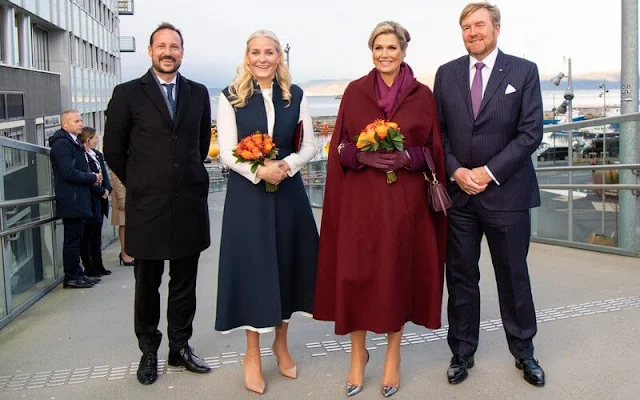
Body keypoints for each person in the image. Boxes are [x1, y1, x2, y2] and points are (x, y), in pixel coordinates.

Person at [314, 21, 447, 398]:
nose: (385, 54)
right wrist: (360, 156)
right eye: (378, 48)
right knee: (355, 276)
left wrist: (407, 157)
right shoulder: (355, 92)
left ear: (404, 51)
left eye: (391, 47)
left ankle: (392, 356)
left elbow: (434, 150)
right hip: (360, 205)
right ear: (370, 51)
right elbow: (338, 144)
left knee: (395, 277)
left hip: (405, 207)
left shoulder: (423, 96)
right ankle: (358, 356)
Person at [433, 2, 545, 387]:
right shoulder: (446, 75)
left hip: (508, 195)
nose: (472, 32)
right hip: (459, 196)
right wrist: (456, 170)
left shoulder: (523, 71)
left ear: (496, 28)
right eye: (466, 26)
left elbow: (531, 133)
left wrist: (488, 172)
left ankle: (524, 352)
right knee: (461, 277)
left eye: (479, 25)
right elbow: (439, 134)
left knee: (513, 276)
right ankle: (462, 352)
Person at [103, 22, 212, 385]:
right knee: (146, 284)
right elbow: (114, 151)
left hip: (189, 206)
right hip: (147, 207)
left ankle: (179, 348)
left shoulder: (198, 94)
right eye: (161, 46)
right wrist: (143, 183)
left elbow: (199, 146)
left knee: (185, 283)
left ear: (182, 51)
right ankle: (149, 351)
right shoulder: (127, 94)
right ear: (150, 51)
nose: (168, 52)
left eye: (175, 46)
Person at [215, 29, 318, 395]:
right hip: (248, 196)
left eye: (270, 52)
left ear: (279, 57)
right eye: (256, 52)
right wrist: (260, 170)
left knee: (288, 265)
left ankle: (281, 343)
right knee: (253, 269)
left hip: (288, 191)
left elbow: (310, 144)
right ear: (247, 56)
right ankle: (252, 355)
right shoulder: (230, 98)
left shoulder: (296, 95)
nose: (262, 58)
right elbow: (226, 151)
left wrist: (286, 165)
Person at [49, 109, 103, 289]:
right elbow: (68, 172)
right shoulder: (62, 144)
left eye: (80, 120)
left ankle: (78, 273)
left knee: (77, 238)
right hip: (71, 199)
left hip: (78, 198)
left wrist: (92, 176)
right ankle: (72, 276)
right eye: (76, 121)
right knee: (72, 240)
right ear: (65, 125)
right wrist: (92, 177)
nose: (81, 123)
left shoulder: (73, 142)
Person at [78, 127, 113, 277]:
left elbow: (104, 175)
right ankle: (89, 266)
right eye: (95, 138)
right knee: (87, 236)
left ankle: (98, 264)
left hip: (100, 200)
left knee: (96, 235)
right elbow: (88, 179)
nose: (97, 140)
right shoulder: (81, 156)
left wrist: (107, 189)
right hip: (90, 200)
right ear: (88, 139)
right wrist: (101, 191)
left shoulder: (97, 155)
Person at [109, 170, 134, 266]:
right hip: (122, 195)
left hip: (131, 195)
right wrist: (121, 197)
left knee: (130, 225)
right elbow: (116, 178)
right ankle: (124, 253)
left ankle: (128, 251)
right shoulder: (121, 156)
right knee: (124, 224)